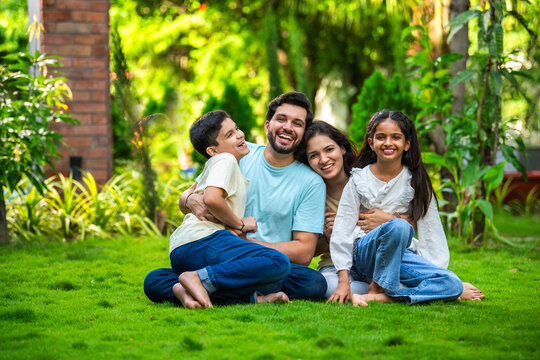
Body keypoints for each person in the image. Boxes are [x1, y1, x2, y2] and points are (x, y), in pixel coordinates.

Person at [143, 92, 327, 306]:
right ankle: (237, 290)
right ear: (268, 125)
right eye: (281, 119)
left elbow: (304, 253)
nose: (288, 127)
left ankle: (199, 287)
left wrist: (247, 243)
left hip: (260, 259)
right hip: (225, 254)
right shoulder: (237, 154)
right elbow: (188, 196)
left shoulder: (311, 182)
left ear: (304, 133)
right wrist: (191, 199)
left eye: (297, 123)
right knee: (153, 279)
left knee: (313, 283)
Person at [303, 115, 484, 306]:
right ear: (371, 143)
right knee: (397, 228)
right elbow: (342, 231)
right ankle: (386, 286)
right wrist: (341, 275)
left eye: (395, 137)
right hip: (361, 255)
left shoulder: (416, 181)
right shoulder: (358, 180)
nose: (323, 159)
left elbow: (430, 230)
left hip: (396, 254)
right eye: (314, 155)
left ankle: (377, 295)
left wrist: (433, 272)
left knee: (453, 284)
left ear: (407, 144)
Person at [168, 110, 291, 309]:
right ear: (213, 150)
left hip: (182, 248)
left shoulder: (217, 164)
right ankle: (199, 279)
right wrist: (240, 224)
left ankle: (188, 289)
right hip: (202, 240)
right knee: (277, 262)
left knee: (270, 280)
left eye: (237, 129)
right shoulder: (226, 160)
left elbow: (196, 193)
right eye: (230, 135)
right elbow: (211, 199)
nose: (240, 135)